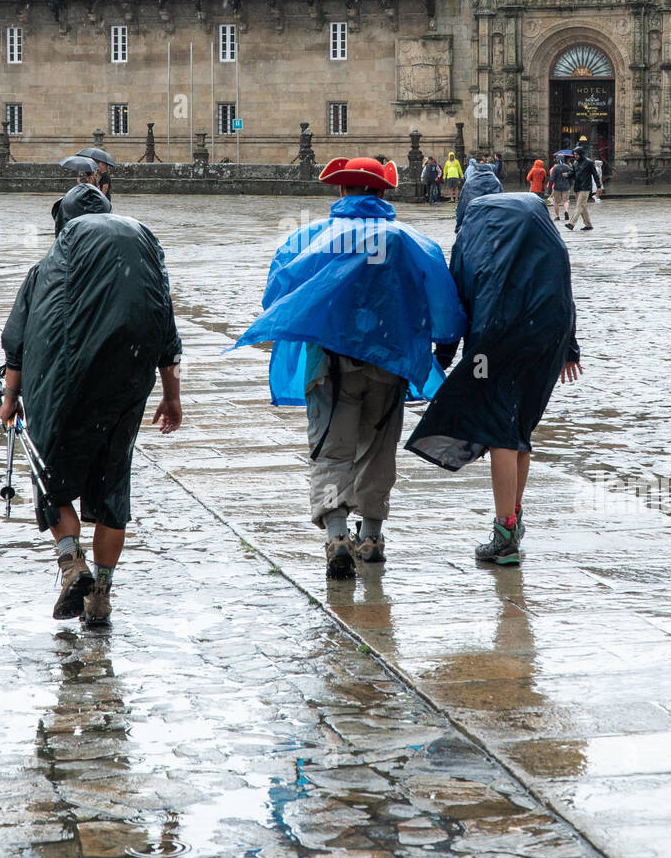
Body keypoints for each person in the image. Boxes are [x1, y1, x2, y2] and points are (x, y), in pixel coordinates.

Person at [232, 157, 465, 579]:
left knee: (330, 448)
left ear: (341, 192)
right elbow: (444, 304)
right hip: (389, 363)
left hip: (329, 366)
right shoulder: (410, 241)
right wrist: (443, 351)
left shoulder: (308, 238)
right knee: (378, 449)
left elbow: (277, 297)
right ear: (383, 193)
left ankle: (337, 534)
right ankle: (372, 537)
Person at [0, 184, 182, 627]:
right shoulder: (143, 268)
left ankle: (71, 565)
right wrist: (172, 397)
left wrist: (9, 399)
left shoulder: (44, 271)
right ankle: (101, 595)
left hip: (63, 387)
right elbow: (167, 333)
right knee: (113, 486)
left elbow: (18, 346)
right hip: (127, 383)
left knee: (49, 474)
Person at [406, 194, 582, 566]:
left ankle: (504, 537)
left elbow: (457, 302)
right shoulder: (543, 234)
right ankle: (513, 521)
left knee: (500, 430)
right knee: (520, 430)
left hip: (495, 341)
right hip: (547, 338)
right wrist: (571, 348)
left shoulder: (471, 238)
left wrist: (443, 360)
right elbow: (562, 288)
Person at [454, 156, 503, 232]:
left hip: (472, 222)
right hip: (490, 223)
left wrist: (458, 225)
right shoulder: (495, 181)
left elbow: (462, 205)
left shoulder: (470, 182)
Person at [565, 146, 602, 231]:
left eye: (577, 154)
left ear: (581, 154)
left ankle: (571, 223)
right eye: (574, 154)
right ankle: (588, 225)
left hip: (585, 187)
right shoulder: (575, 163)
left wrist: (598, 186)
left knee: (579, 205)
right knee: (583, 207)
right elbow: (573, 173)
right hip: (577, 187)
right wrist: (567, 175)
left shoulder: (589, 162)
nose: (575, 156)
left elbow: (595, 175)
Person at [547, 154, 571, 222]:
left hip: (557, 187)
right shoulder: (567, 167)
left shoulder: (555, 168)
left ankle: (557, 216)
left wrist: (549, 189)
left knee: (556, 202)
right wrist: (570, 184)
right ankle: (566, 211)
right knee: (565, 201)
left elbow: (551, 179)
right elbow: (571, 176)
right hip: (566, 186)